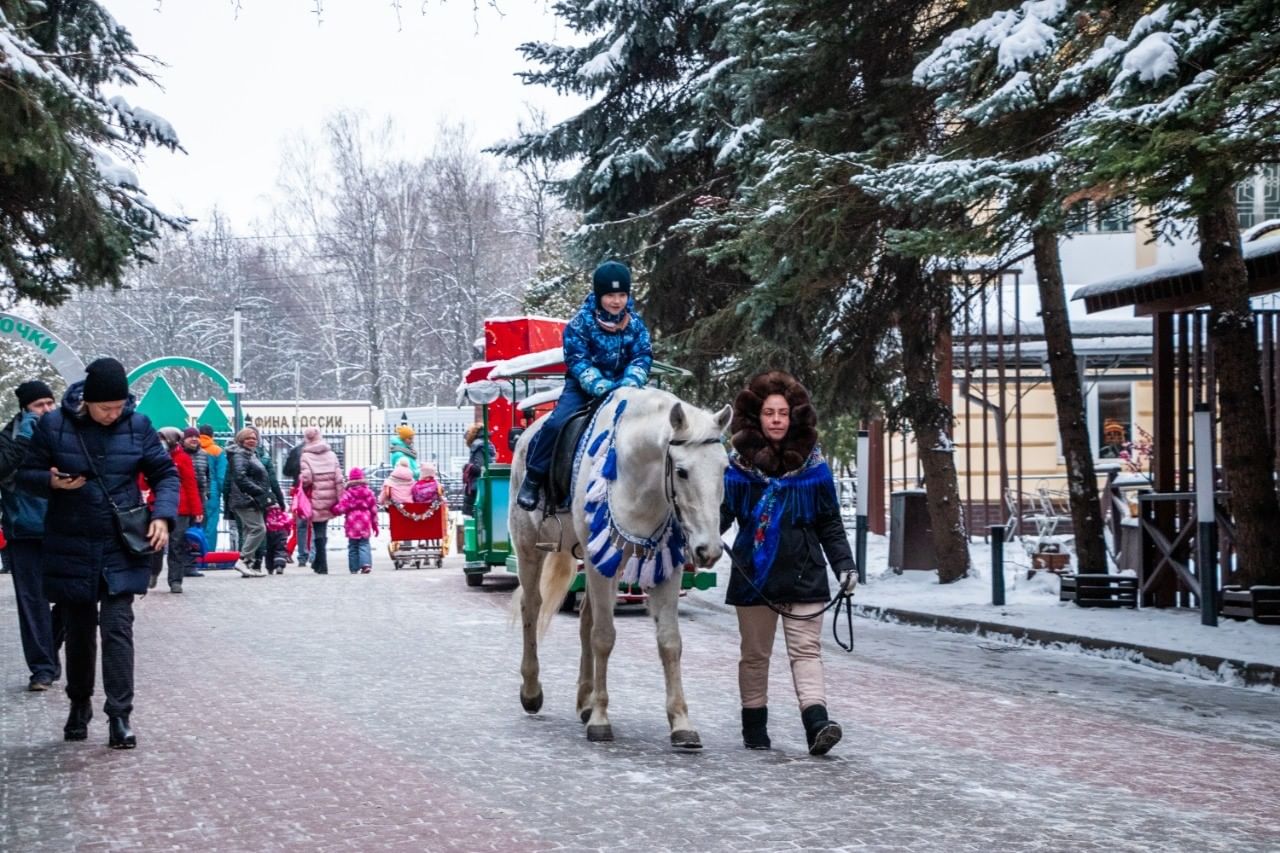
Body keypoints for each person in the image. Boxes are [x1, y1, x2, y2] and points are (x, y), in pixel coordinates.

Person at [18, 358, 178, 749]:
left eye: (119, 406)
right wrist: (52, 482)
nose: (114, 414)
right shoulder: (53, 425)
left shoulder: (138, 426)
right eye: (106, 407)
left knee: (118, 628)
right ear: (87, 401)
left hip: (121, 542)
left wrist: (162, 517)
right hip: (71, 539)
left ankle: (120, 715)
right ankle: (79, 704)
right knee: (78, 631)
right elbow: (26, 473)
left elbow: (165, 473)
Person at [720, 370, 855, 756]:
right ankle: (755, 728)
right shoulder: (736, 469)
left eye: (783, 412)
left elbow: (829, 521)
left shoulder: (815, 467)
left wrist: (845, 566)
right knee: (755, 655)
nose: (777, 419)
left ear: (794, 416)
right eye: (769, 413)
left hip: (805, 571)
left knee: (806, 651)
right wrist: (703, 538)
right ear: (756, 418)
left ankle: (818, 725)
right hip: (754, 575)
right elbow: (722, 516)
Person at [516, 260, 653, 510]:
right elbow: (577, 359)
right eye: (610, 295)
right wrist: (599, 385)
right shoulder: (580, 323)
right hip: (583, 387)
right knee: (557, 423)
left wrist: (631, 381)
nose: (616, 301)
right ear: (600, 295)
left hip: (626, 387)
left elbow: (642, 355)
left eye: (622, 294)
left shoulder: (635, 324)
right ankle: (534, 477)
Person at [0, 379, 62, 691]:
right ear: (25, 408)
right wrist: (25, 438)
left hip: (64, 527)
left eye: (50, 403)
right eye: (39, 405)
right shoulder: (10, 436)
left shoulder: (65, 433)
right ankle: (43, 668)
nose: (47, 410)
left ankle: (50, 649)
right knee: (32, 601)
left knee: (74, 596)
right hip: (24, 529)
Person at [150, 427, 203, 594]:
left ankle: (175, 580)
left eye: (164, 439)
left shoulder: (183, 458)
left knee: (177, 544)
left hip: (181, 508)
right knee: (155, 543)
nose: (162, 443)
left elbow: (190, 485)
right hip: (156, 505)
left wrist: (197, 510)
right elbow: (143, 482)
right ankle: (153, 572)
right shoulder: (153, 457)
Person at [223, 428, 272, 578]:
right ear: (241, 440)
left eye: (254, 438)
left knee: (249, 530)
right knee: (258, 529)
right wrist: (258, 491)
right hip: (245, 498)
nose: (252, 440)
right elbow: (240, 477)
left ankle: (248, 563)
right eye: (248, 438)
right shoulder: (240, 455)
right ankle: (243, 559)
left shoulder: (250, 454)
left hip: (250, 498)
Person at [298, 426, 343, 574]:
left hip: (316, 497)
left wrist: (301, 479)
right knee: (322, 529)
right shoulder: (331, 454)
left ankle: (321, 564)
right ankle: (318, 562)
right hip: (329, 498)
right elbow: (339, 479)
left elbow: (307, 479)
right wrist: (340, 498)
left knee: (318, 530)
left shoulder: (305, 456)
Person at [331, 467, 378, 573]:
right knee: (364, 543)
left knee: (353, 545)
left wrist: (334, 510)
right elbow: (373, 507)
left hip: (352, 521)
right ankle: (366, 564)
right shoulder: (368, 491)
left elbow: (342, 507)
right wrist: (374, 521)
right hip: (365, 519)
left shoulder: (348, 492)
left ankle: (353, 568)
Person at [183, 428, 209, 578]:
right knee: (182, 532)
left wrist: (207, 494)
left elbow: (207, 475)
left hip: (199, 496)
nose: (194, 439)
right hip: (182, 497)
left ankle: (192, 564)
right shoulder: (180, 454)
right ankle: (181, 563)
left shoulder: (204, 455)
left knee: (195, 531)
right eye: (190, 437)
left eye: (196, 437)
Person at [196, 424, 226, 549]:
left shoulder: (193, 448)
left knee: (196, 523)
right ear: (212, 435)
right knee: (211, 524)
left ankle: (194, 554)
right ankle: (208, 554)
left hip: (196, 490)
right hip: (212, 492)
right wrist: (224, 492)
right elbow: (221, 476)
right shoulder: (217, 450)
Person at [461, 422, 493, 517]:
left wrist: (467, 467)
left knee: (476, 516)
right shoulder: (486, 443)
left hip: (476, 486)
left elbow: (480, 468)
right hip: (482, 485)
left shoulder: (477, 446)